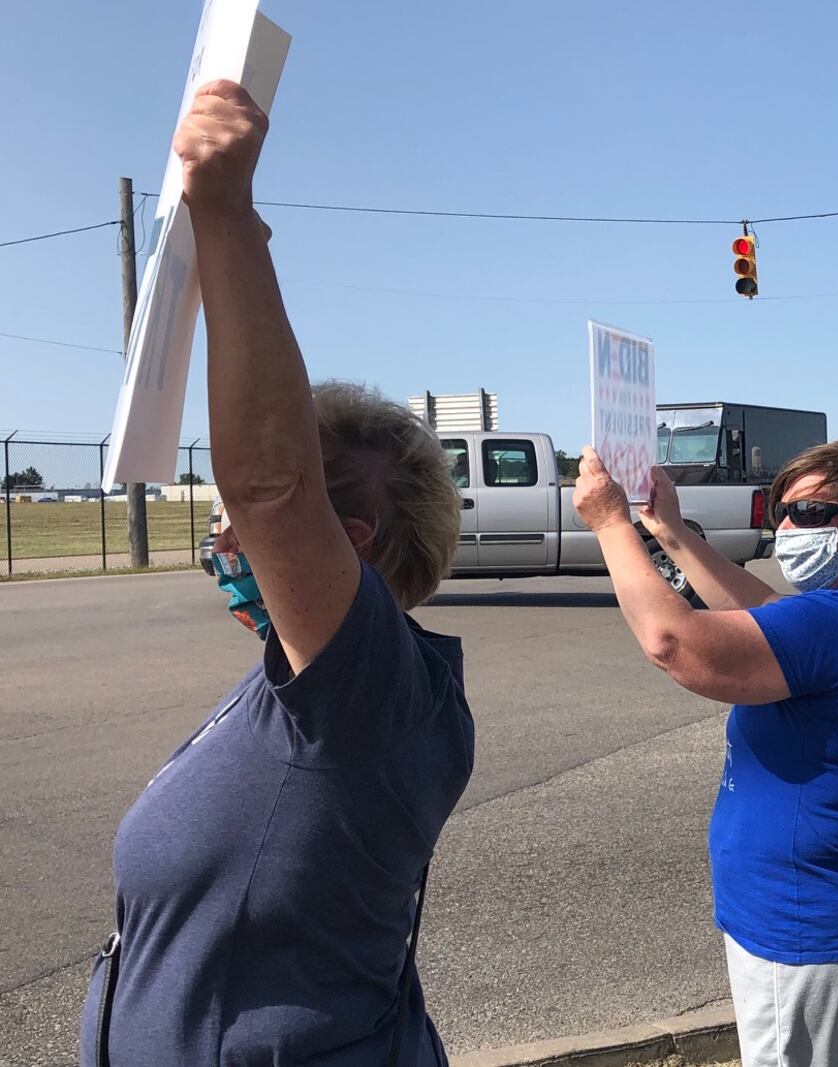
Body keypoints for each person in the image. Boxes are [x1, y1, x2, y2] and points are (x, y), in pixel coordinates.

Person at [80, 81, 473, 1066]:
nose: (225, 528)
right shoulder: (303, 682)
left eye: (246, 513)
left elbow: (268, 483)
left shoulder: (373, 691)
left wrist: (227, 222)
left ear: (351, 538)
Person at [572, 439, 838, 1067]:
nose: (785, 528)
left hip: (817, 935)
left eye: (806, 513)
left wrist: (611, 525)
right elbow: (769, 613)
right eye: (781, 511)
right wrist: (668, 531)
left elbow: (676, 644)